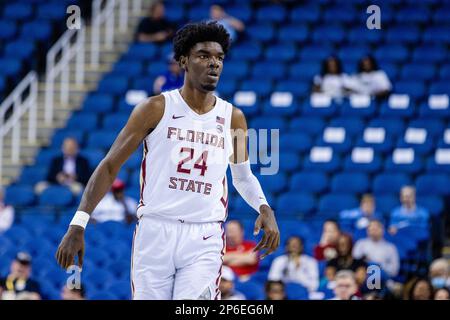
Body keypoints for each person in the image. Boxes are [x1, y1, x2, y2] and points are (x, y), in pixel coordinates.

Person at [55, 21, 280, 300]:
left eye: (219, 58)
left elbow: (243, 176)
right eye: (204, 56)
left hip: (205, 235)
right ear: (183, 61)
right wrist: (79, 222)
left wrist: (264, 207)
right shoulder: (155, 108)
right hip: (155, 230)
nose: (214, 64)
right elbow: (110, 164)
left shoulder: (232, 117)